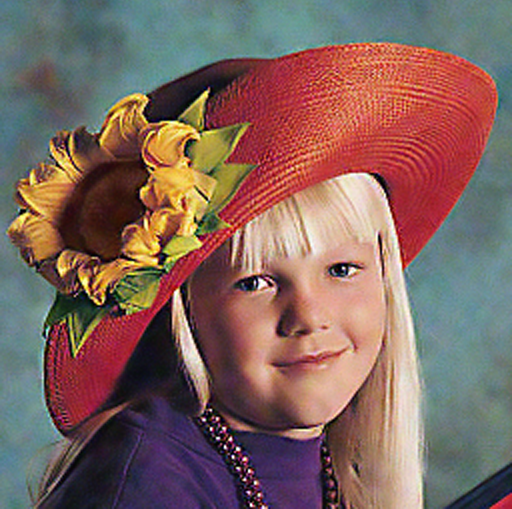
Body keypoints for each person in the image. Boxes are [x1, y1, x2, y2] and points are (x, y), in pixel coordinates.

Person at [8, 43, 497, 508]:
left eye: (342, 269)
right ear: (185, 310)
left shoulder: (328, 462)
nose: (309, 317)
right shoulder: (147, 484)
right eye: (255, 282)